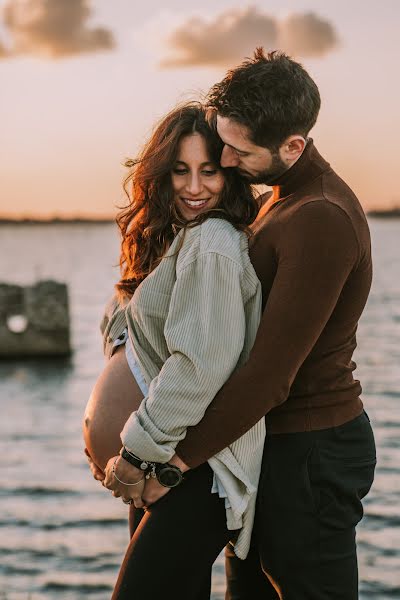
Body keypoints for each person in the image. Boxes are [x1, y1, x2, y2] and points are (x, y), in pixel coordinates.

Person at [157, 49, 375, 600]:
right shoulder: (280, 200)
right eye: (222, 140)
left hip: (310, 453)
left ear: (293, 146)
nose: (225, 160)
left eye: (239, 150)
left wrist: (175, 463)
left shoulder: (319, 217)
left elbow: (271, 373)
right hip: (264, 443)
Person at [83, 102, 266, 599]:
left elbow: (200, 365)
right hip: (156, 465)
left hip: (185, 469)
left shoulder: (212, 240)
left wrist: (135, 455)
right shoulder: (174, 240)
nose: (193, 187)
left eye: (208, 171)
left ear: (230, 174)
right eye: (180, 171)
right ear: (160, 176)